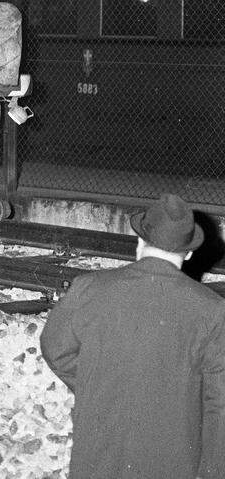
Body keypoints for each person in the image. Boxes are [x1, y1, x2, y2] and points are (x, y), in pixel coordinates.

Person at [40, 193, 224, 479]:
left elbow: (55, 349)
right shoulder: (212, 310)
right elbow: (219, 402)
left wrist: (100, 382)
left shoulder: (88, 288)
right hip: (173, 463)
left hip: (98, 457)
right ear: (188, 253)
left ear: (140, 242)